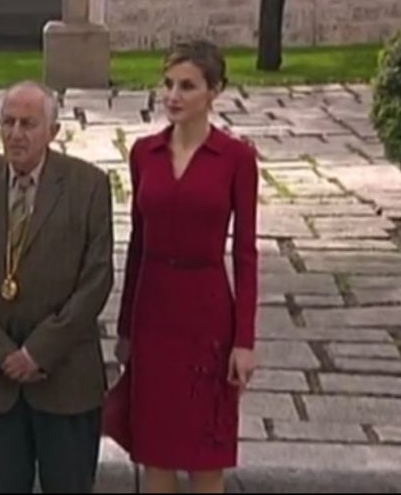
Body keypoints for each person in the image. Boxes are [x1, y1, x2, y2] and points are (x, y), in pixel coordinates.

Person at [0, 80, 114, 493]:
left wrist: (38, 352)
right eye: (8, 122)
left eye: (28, 124)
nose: (16, 133)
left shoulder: (88, 186)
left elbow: (96, 279)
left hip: (66, 379)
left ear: (53, 131)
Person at [110, 40, 259, 493]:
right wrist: (125, 328)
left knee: (205, 455)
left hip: (207, 313)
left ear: (215, 91)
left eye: (187, 86)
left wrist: (244, 341)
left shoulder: (236, 158)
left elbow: (246, 252)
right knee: (154, 449)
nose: (173, 96)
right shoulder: (144, 153)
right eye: (168, 84)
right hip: (153, 311)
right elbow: (137, 243)